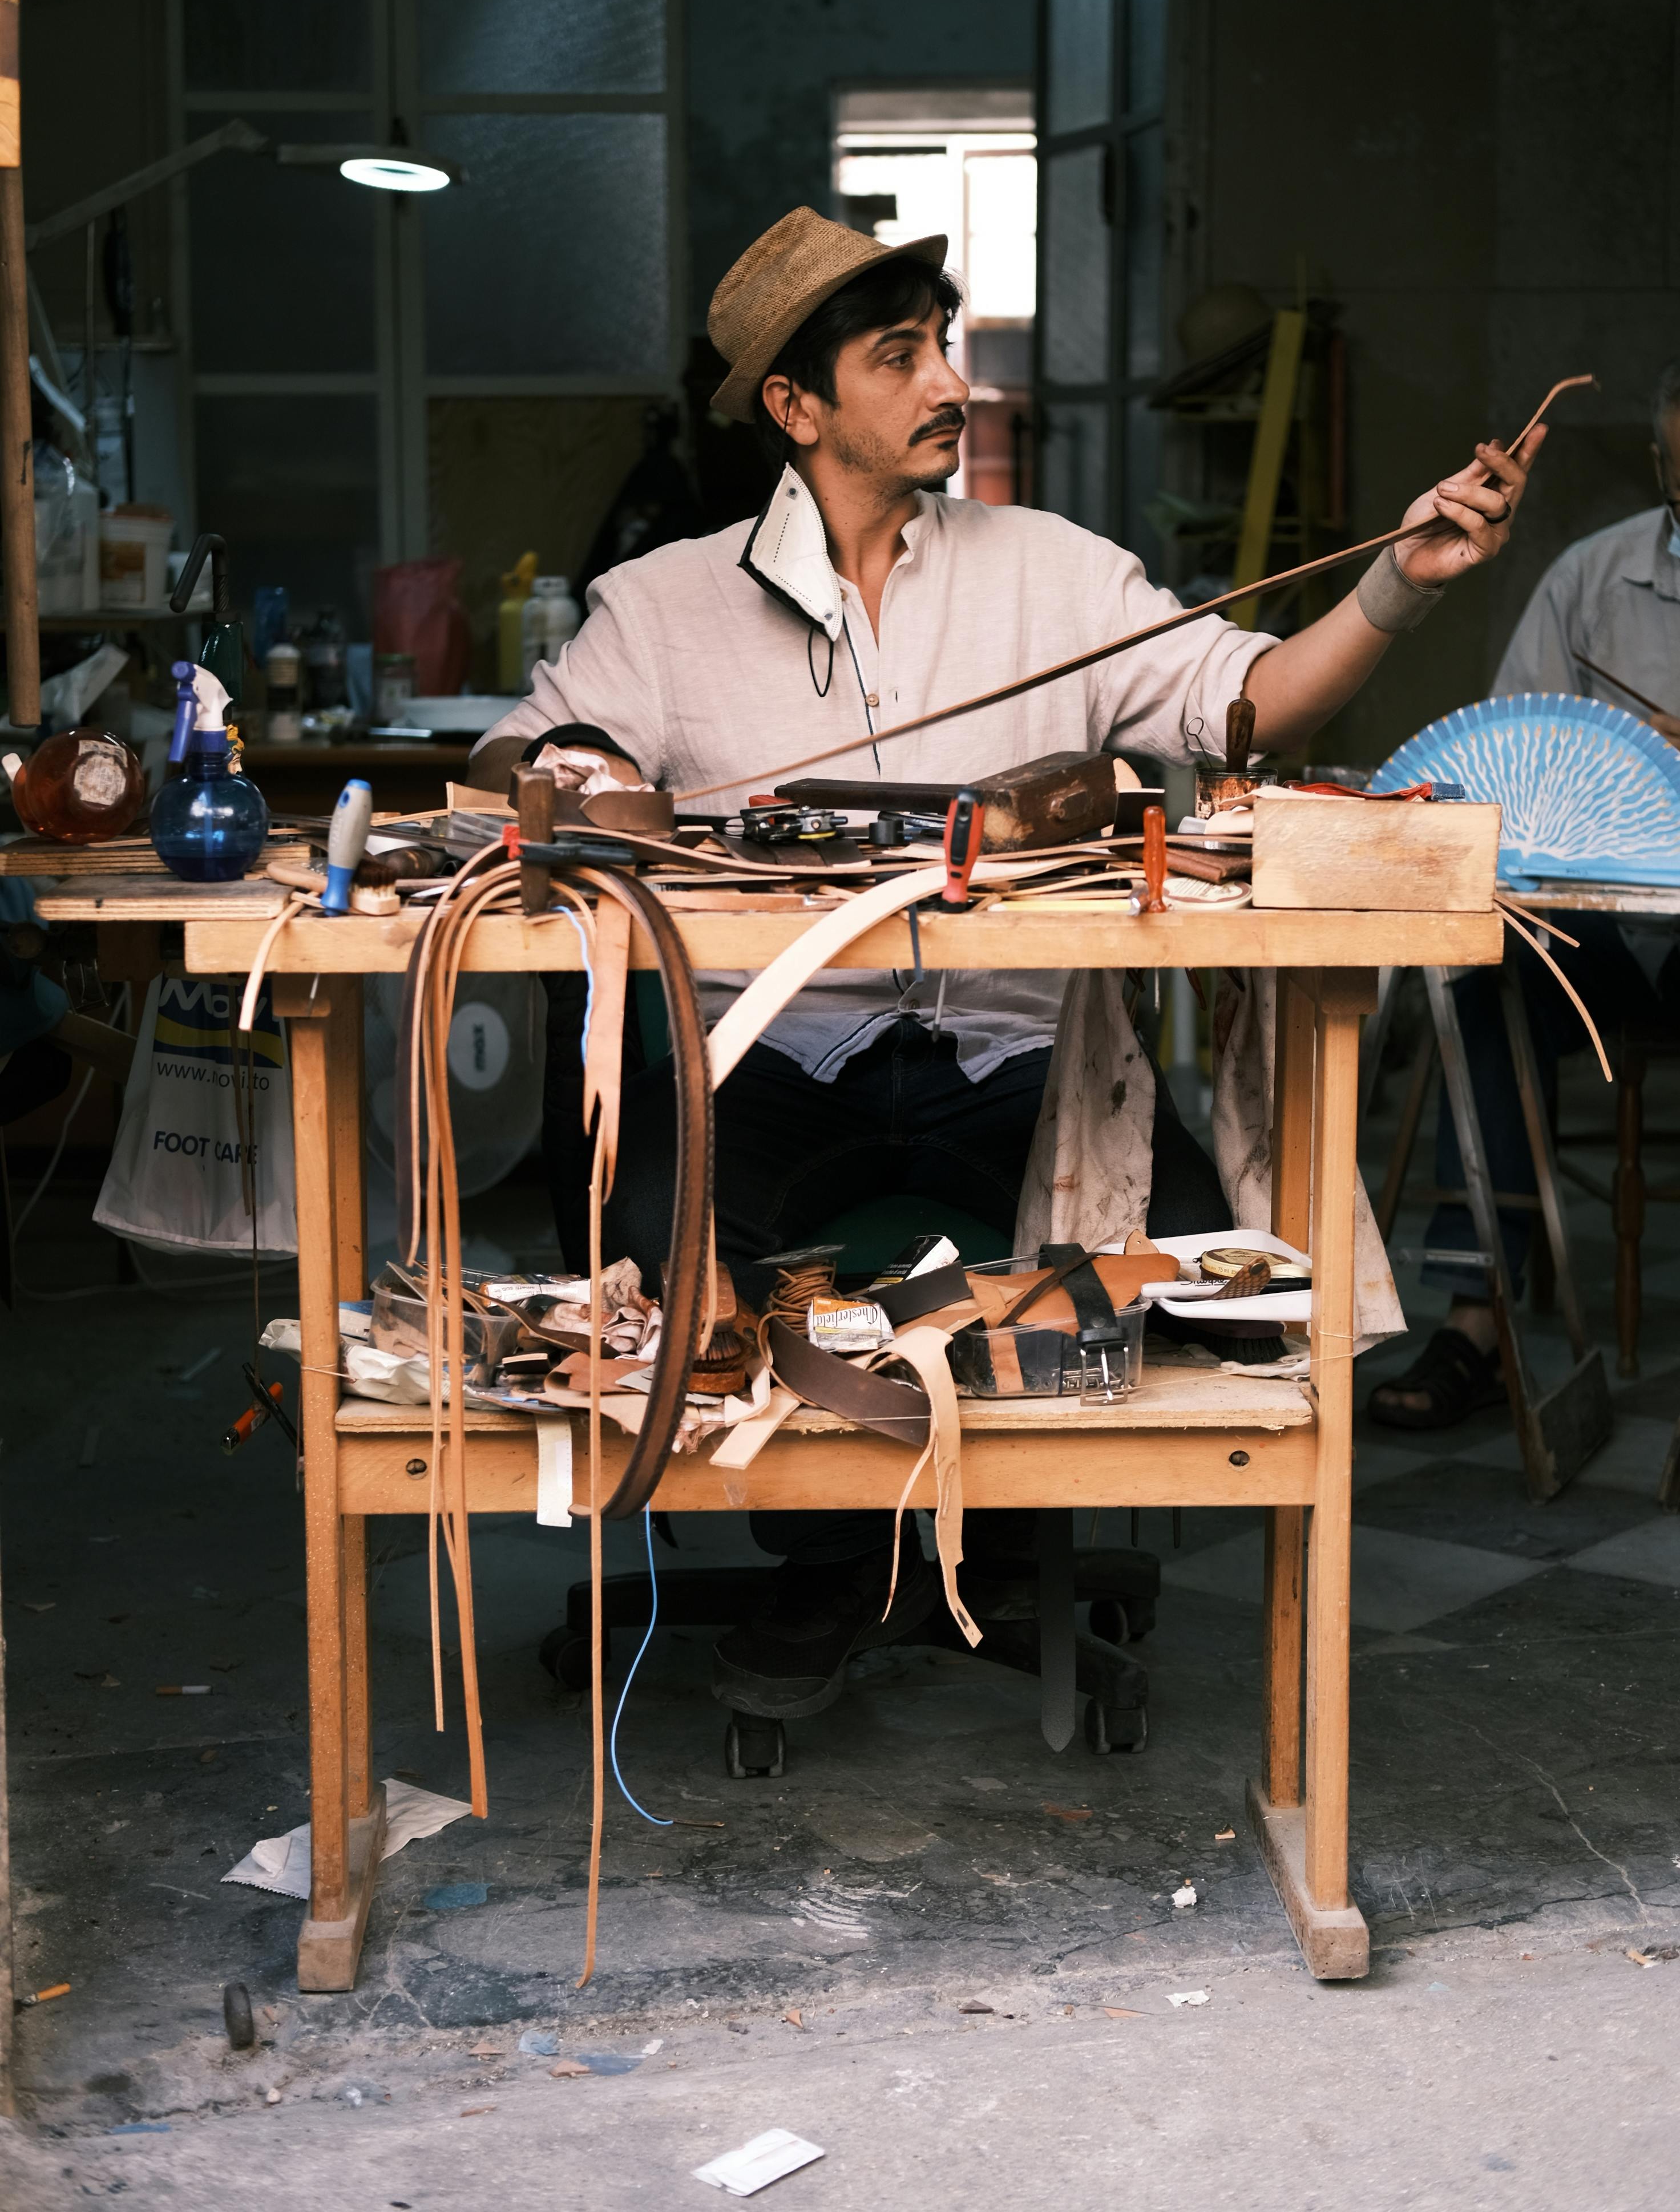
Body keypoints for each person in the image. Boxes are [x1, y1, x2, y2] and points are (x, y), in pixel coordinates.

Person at [471, 205, 1539, 1709]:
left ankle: (985, 1526)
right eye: (899, 358)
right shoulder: (664, 608)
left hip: (1023, 1074)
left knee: (1224, 1296)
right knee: (646, 1273)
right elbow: (532, 754)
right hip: (771, 1072)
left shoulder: (1057, 572)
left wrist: (1397, 585)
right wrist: (586, 773)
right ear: (795, 405)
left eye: (945, 348)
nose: (946, 386)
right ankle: (848, 1553)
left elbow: (1248, 701)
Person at [1369, 358, 1680, 1428]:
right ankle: (1479, 1322)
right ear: (1659, 462)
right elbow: (1511, 761)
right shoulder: (1596, 579)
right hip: (1596, 932)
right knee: (1477, 977)